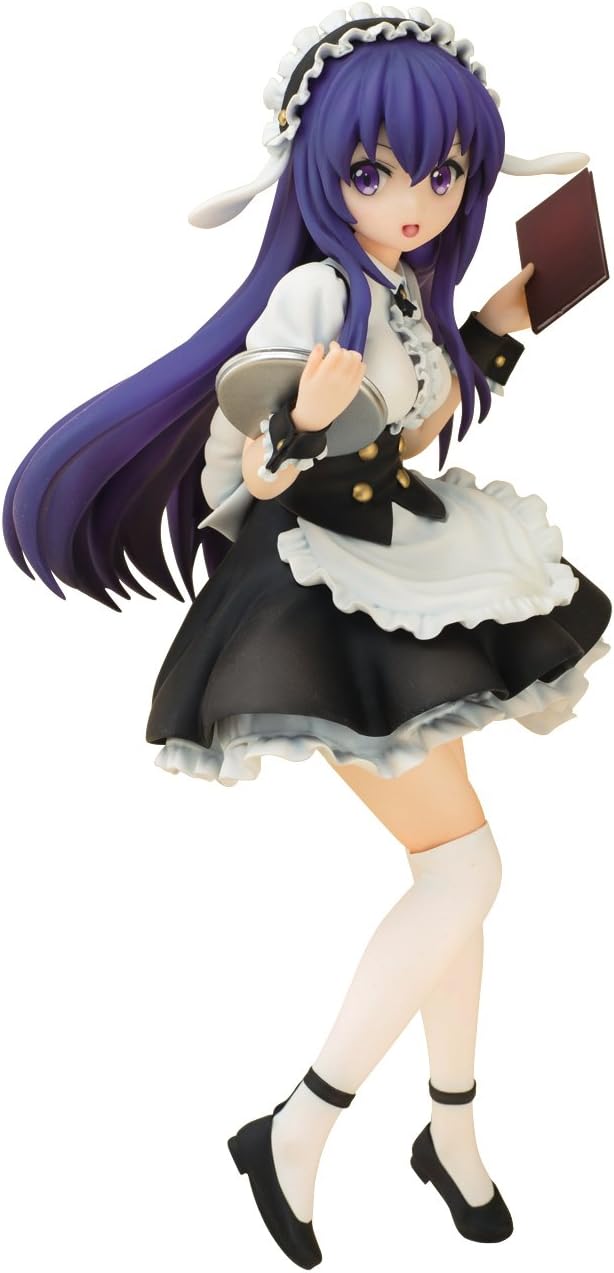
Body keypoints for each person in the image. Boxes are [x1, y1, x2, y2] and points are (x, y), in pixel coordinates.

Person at [3, 6, 611, 1266]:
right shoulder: (313, 290)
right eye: (376, 172)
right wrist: (297, 420)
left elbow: (425, 407)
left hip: (398, 567)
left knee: (448, 874)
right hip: (320, 594)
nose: (416, 201)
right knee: (466, 872)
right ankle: (296, 1124)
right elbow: (258, 468)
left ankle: (448, 1133)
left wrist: (514, 311)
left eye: (444, 173)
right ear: (321, 170)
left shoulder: (402, 287)